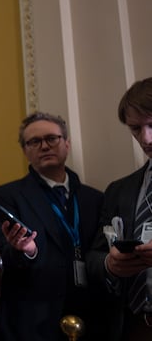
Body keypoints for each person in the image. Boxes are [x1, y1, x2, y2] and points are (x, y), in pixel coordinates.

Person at [0, 112, 106, 340]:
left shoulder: (96, 198)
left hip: (93, 313)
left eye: (52, 138)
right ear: (25, 151)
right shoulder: (7, 196)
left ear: (67, 144)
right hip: (34, 318)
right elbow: (4, 255)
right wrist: (26, 251)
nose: (44, 146)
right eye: (34, 141)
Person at [86, 77, 152, 340]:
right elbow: (93, 257)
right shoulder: (119, 190)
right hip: (134, 327)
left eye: (151, 124)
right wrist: (110, 264)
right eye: (136, 129)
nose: (145, 138)